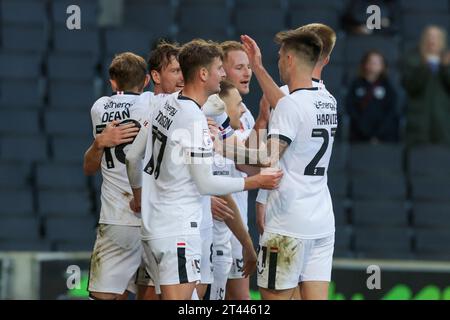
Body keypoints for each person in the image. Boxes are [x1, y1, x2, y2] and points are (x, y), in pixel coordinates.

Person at [125, 39, 283, 300]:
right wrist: (255, 183)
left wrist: (140, 195)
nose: (223, 74)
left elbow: (132, 157)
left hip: (153, 228)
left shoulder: (164, 103)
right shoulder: (194, 120)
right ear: (202, 74)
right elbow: (206, 185)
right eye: (220, 68)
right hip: (178, 229)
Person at [239, 29, 337, 300]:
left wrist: (218, 147)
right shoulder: (328, 101)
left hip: (287, 225)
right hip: (321, 223)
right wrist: (257, 68)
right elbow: (291, 107)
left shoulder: (290, 106)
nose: (279, 61)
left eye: (281, 56)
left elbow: (266, 158)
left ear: (290, 60)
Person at [83, 52, 150, 300]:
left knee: (105, 295)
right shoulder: (151, 104)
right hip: (150, 216)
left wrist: (99, 142)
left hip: (115, 217)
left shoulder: (98, 107)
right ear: (146, 81)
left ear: (112, 82)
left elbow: (89, 168)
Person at [134, 41, 183, 300]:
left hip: (153, 216)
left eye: (184, 70)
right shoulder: (157, 105)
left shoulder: (143, 104)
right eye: (175, 71)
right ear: (155, 75)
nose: (182, 77)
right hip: (162, 216)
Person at [402, 25, 450, 147]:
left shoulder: (447, 60)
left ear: (442, 40)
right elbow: (410, 86)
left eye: (436, 37)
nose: (432, 40)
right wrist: (425, 66)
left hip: (443, 122)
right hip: (418, 121)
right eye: (429, 36)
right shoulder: (412, 58)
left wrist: (445, 67)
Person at [346, 50, 399, 143]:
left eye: (377, 62)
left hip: (383, 136)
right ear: (365, 64)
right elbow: (351, 108)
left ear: (383, 66)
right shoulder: (356, 85)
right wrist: (364, 130)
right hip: (359, 134)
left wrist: (379, 133)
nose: (373, 65)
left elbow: (391, 111)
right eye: (371, 62)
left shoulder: (388, 87)